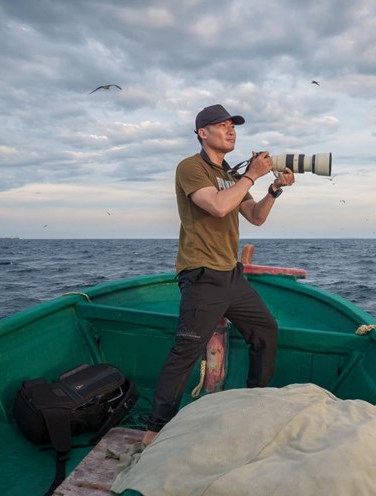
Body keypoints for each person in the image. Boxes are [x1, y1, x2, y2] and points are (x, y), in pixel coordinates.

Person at [142, 104, 295, 446]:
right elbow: (218, 206)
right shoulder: (190, 168)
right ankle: (154, 429)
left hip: (231, 275)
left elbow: (255, 216)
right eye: (222, 125)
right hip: (202, 273)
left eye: (233, 126)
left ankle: (255, 402)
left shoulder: (230, 173)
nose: (231, 131)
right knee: (186, 350)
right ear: (202, 132)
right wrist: (252, 175)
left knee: (266, 330)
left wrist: (273, 190)